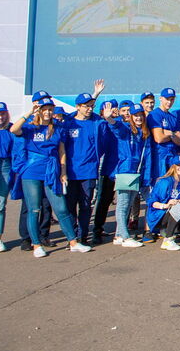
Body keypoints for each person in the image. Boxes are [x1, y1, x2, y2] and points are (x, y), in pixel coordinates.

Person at [10, 98, 92, 257]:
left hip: (51, 170)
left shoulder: (57, 128)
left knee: (61, 207)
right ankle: (36, 245)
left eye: (50, 109)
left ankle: (73, 242)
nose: (47, 112)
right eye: (44, 109)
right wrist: (30, 112)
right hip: (32, 171)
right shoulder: (29, 127)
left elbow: (62, 151)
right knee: (34, 208)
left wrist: (63, 172)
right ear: (38, 110)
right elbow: (14, 129)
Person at [103, 102, 153, 247]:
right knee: (123, 205)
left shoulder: (145, 133)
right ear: (130, 116)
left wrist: (145, 176)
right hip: (126, 171)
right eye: (135, 115)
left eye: (140, 115)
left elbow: (146, 156)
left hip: (137, 172)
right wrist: (109, 118)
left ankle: (119, 235)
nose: (138, 118)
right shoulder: (126, 129)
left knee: (128, 204)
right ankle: (125, 237)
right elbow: (116, 127)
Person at [61, 92, 104, 245]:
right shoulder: (68, 123)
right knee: (70, 206)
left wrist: (96, 95)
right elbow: (61, 148)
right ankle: (72, 237)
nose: (89, 109)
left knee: (85, 206)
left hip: (89, 171)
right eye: (86, 106)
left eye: (92, 106)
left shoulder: (96, 121)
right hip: (71, 172)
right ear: (77, 107)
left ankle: (82, 237)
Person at [0, 102, 15, 252]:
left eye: (2, 113)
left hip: (6, 167)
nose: (0, 117)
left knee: (0, 205)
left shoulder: (11, 129)